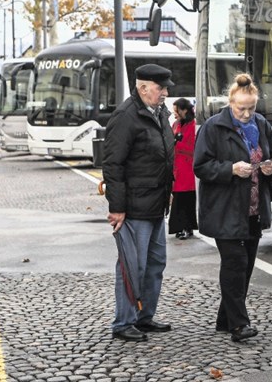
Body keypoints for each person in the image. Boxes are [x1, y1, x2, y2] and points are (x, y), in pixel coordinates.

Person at [194, 73, 272, 342]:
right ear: (230, 103)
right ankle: (238, 325)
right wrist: (231, 169)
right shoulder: (213, 127)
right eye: (240, 109)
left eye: (251, 108)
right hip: (225, 210)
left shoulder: (262, 124)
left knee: (245, 268)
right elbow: (200, 166)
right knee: (235, 264)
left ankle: (225, 319)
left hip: (254, 210)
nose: (246, 114)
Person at [103, 63, 176, 342]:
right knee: (132, 266)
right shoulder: (126, 116)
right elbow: (113, 165)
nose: (165, 93)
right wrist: (117, 207)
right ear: (143, 87)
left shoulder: (159, 113)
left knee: (156, 263)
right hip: (134, 207)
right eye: (161, 88)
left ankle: (144, 317)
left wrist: (168, 190)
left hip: (156, 204)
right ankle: (124, 322)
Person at [168, 97, 198, 240]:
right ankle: (182, 227)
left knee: (186, 198)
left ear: (184, 110)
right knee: (178, 198)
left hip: (187, 168)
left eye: (176, 110)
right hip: (178, 167)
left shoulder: (193, 125)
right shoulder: (176, 124)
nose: (175, 113)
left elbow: (193, 148)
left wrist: (176, 144)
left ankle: (186, 227)